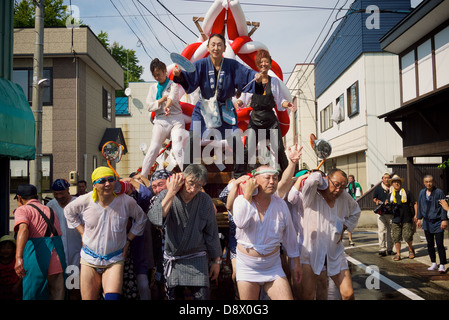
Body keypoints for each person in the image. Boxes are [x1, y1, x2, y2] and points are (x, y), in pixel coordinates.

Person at [173, 33, 259, 177]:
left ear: (225, 47)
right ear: (208, 47)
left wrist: (256, 78)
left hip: (225, 108)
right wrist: (180, 75)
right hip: (203, 108)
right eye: (213, 44)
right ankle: (187, 175)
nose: (216, 48)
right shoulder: (200, 64)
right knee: (193, 140)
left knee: (236, 140)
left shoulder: (232, 65)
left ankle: (239, 176)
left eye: (219, 45)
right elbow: (189, 82)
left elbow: (247, 75)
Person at [64, 167, 148, 300]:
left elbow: (141, 219)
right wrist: (81, 232)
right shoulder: (85, 200)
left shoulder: (126, 201)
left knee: (112, 298)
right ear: (94, 185)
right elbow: (68, 211)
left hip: (114, 259)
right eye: (102, 181)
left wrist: (128, 241)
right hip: (89, 259)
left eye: (111, 180)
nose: (108, 184)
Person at [147, 164, 222, 300]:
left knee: (203, 297)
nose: (193, 189)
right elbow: (155, 218)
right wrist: (171, 192)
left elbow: (211, 232)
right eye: (191, 183)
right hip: (174, 259)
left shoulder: (204, 200)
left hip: (197, 257)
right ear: (183, 179)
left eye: (199, 186)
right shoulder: (166, 194)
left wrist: (217, 261)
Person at [232, 165, 302, 300]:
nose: (272, 182)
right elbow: (240, 222)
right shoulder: (241, 200)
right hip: (247, 267)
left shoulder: (280, 204)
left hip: (272, 266)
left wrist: (296, 264)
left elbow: (290, 237)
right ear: (255, 180)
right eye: (267, 178)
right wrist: (248, 193)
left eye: (275, 178)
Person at [300, 169, 361, 300]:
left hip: (335, 251)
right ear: (327, 180)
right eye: (336, 184)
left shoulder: (344, 197)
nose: (338, 190)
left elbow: (356, 211)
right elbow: (311, 181)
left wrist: (345, 226)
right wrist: (320, 179)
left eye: (343, 186)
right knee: (308, 295)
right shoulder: (313, 194)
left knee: (348, 294)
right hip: (312, 252)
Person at [238, 49, 296, 176]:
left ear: (270, 65)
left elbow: (280, 100)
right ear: (258, 65)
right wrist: (239, 102)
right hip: (255, 118)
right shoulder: (252, 80)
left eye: (266, 62)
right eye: (261, 62)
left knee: (279, 148)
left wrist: (288, 104)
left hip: (270, 118)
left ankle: (289, 175)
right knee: (248, 149)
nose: (264, 64)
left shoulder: (274, 81)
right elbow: (244, 98)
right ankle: (244, 176)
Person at [13, 184, 67, 300]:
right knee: (58, 292)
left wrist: (18, 257)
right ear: (36, 196)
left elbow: (23, 229)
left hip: (36, 254)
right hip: (58, 254)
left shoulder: (22, 210)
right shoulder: (50, 210)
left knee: (33, 293)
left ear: (19, 198)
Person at [141, 58, 189, 178]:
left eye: (159, 74)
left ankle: (187, 176)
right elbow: (149, 105)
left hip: (175, 119)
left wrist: (167, 105)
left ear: (165, 72)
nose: (157, 77)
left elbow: (171, 97)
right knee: (153, 148)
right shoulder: (152, 88)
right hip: (161, 120)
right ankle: (142, 177)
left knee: (177, 146)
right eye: (155, 75)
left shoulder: (173, 85)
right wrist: (161, 100)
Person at [288, 170, 328, 300]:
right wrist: (300, 179)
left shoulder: (320, 195)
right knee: (299, 283)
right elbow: (291, 198)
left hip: (318, 244)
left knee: (322, 282)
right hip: (299, 245)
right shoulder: (296, 195)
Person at [47, 178, 83, 300]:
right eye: (56, 194)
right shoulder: (51, 205)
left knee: (73, 289)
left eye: (62, 192)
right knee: (57, 292)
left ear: (68, 190)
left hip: (76, 256)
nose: (59, 196)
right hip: (57, 257)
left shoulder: (78, 203)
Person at [417, 175, 447, 273]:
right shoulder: (422, 192)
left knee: (439, 244)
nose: (428, 183)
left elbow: (443, 207)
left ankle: (442, 264)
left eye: (430, 181)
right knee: (430, 244)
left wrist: (444, 219)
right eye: (426, 182)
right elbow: (420, 205)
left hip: (438, 221)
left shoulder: (439, 192)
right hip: (426, 222)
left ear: (433, 182)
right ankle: (433, 262)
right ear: (424, 183)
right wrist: (418, 218)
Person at [388, 174, 417, 261]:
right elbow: (388, 207)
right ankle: (398, 253)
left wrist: (416, 215)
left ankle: (411, 249)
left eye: (398, 182)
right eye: (394, 182)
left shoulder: (407, 192)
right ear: (392, 184)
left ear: (400, 183)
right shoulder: (390, 195)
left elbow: (415, 202)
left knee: (408, 236)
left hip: (407, 218)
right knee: (396, 237)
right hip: (395, 218)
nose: (396, 183)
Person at [373, 173, 394, 256]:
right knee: (381, 231)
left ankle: (390, 249)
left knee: (391, 232)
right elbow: (374, 199)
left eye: (388, 178)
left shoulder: (393, 188)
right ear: (382, 179)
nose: (386, 179)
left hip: (391, 213)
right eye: (385, 178)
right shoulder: (378, 188)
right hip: (381, 213)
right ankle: (382, 248)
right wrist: (379, 202)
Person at [0, 235, 22, 300]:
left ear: (14, 249)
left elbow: (22, 275)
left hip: (15, 290)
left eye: (8, 248)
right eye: (2, 248)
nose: (5, 250)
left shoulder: (16, 261)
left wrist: (17, 285)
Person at [346, 175, 363, 246]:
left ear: (353, 179)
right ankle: (350, 239)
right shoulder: (347, 184)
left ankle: (350, 238)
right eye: (349, 178)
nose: (350, 179)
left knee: (350, 220)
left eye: (351, 178)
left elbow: (360, 191)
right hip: (347, 202)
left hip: (354, 200)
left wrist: (361, 197)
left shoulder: (356, 184)